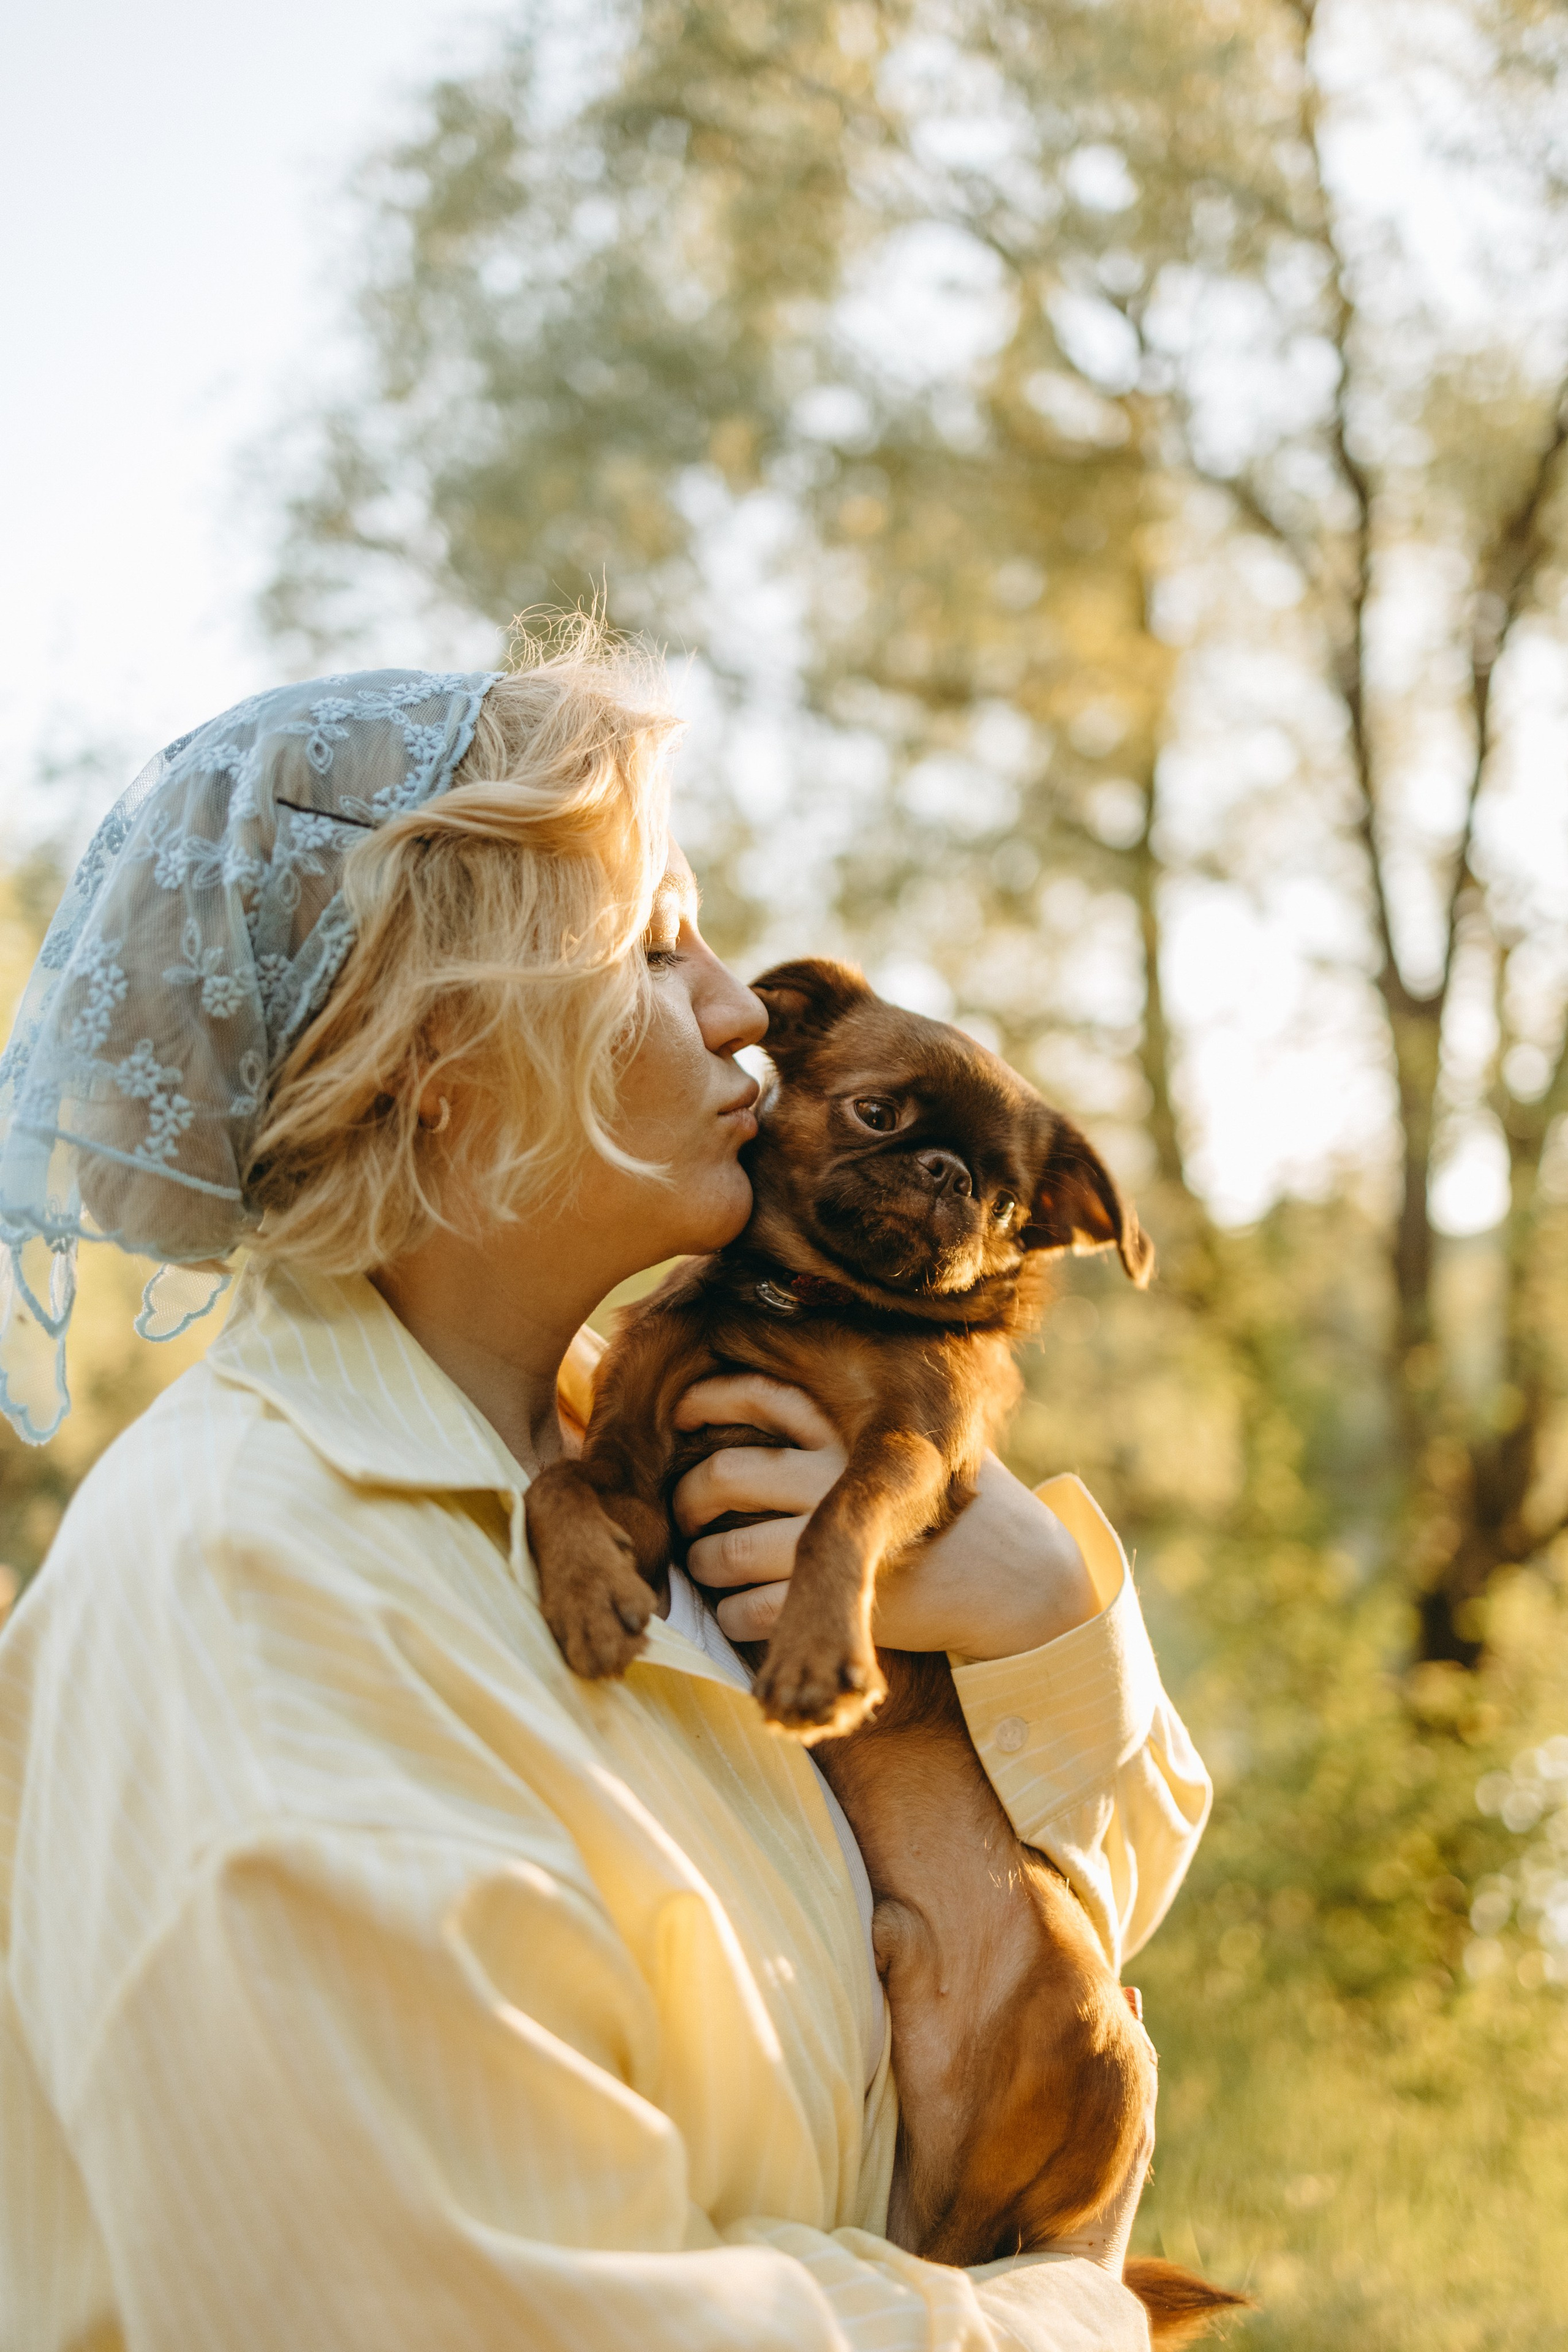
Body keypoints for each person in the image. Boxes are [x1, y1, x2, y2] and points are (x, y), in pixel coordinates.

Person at [0, 627, 1211, 2351]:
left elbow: (1008, 1946)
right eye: (654, 946)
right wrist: (1066, 2315)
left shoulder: (623, 1464)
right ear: (433, 1063)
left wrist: (1045, 1612)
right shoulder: (255, 1593)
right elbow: (523, 2312)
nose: (743, 1011)